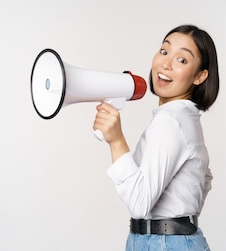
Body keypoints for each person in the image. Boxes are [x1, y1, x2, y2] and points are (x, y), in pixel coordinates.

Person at [93, 24, 219, 251]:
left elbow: (140, 204)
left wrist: (116, 140)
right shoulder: (186, 117)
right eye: (164, 51)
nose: (166, 64)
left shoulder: (170, 120)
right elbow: (203, 179)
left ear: (200, 76)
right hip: (172, 240)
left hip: (164, 243)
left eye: (182, 60)